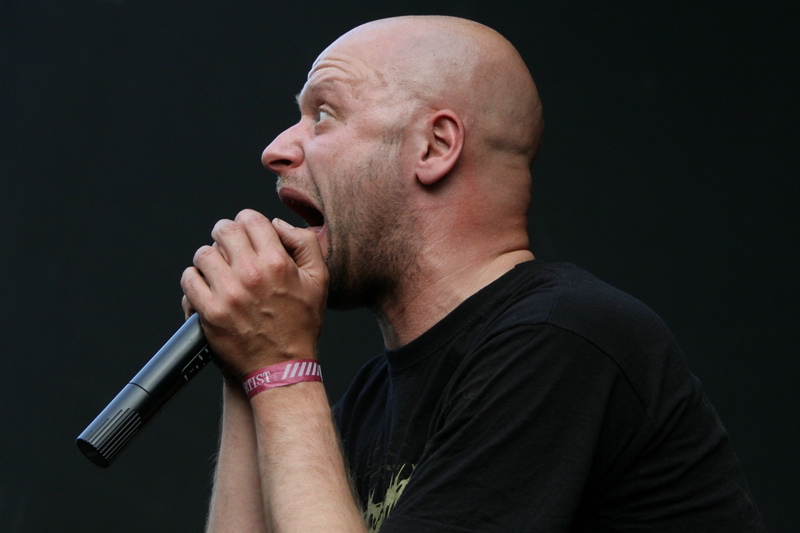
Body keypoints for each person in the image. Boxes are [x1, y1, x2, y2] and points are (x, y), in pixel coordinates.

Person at [181, 15, 766, 533]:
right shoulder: (368, 406)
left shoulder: (565, 338)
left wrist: (280, 369)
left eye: (324, 114)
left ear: (435, 146)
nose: (277, 149)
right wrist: (244, 366)